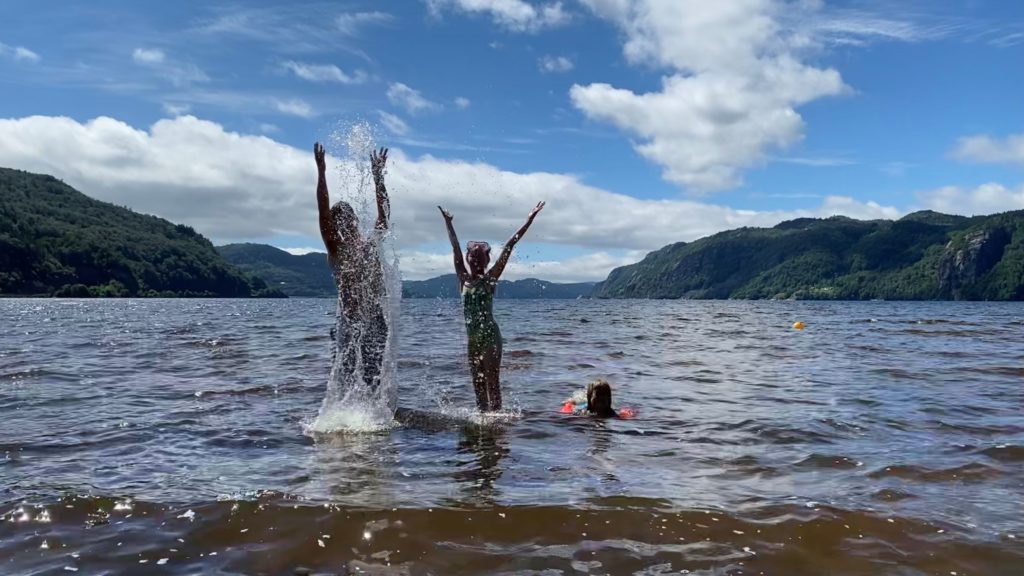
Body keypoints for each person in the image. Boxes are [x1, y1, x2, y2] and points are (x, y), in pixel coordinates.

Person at [437, 201, 546, 412]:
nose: (474, 259)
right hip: (473, 340)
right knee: (478, 387)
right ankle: (482, 428)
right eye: (472, 256)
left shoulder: (490, 280)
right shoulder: (463, 279)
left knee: (492, 384)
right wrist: (448, 223)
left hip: (490, 338)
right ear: (468, 259)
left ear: (485, 260)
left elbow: (509, 246)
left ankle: (498, 425)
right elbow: (455, 247)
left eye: (478, 256)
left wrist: (529, 220)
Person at [315, 142, 391, 397]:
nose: (344, 224)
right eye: (338, 221)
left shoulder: (370, 245)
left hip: (374, 319)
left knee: (374, 379)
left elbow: (384, 216)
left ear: (355, 219)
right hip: (348, 321)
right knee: (344, 380)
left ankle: (376, 415)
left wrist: (378, 178)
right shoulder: (336, 249)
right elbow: (322, 212)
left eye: (347, 218)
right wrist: (322, 173)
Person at [560, 379, 635, 419]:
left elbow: (620, 417)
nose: (600, 398)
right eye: (597, 395)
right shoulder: (583, 410)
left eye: (604, 395)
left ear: (609, 399)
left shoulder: (610, 413)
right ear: (589, 397)